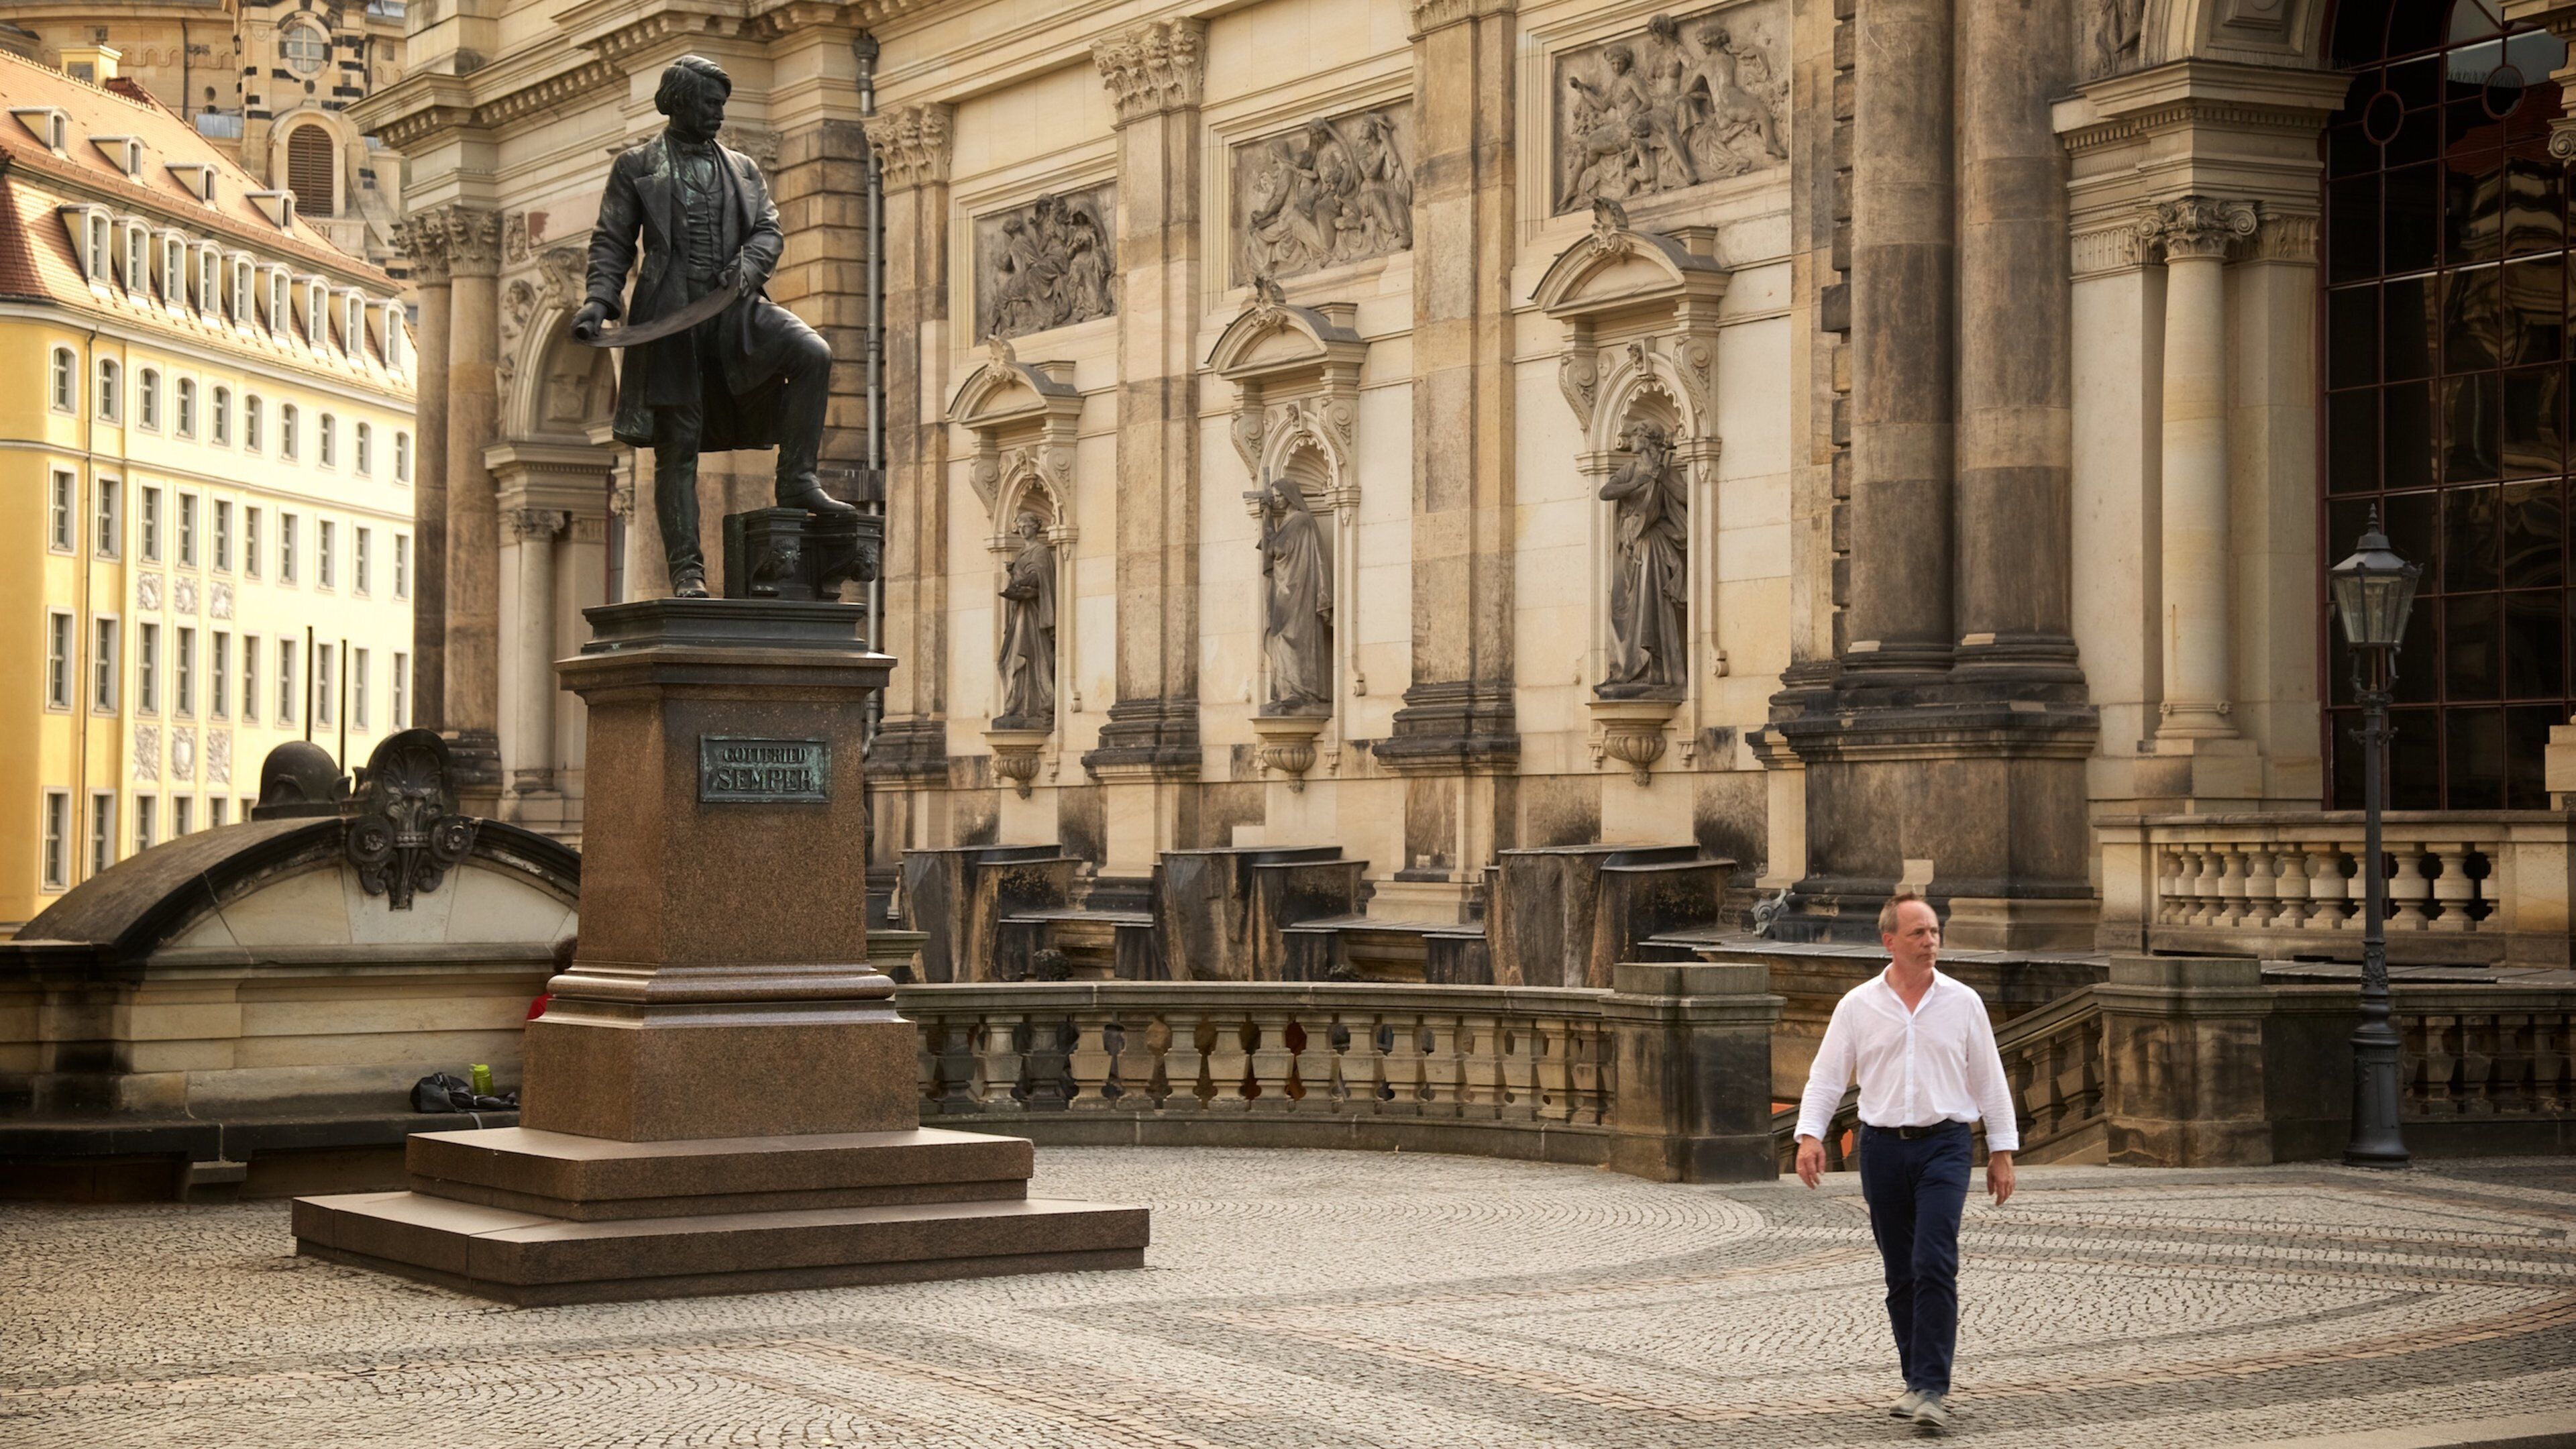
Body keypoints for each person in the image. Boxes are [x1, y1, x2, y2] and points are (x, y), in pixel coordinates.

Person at [572, 54, 850, 598]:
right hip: (670, 317)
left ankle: (797, 478)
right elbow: (612, 241)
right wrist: (599, 301)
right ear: (677, 103)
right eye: (708, 104)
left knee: (812, 353)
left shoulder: (744, 168)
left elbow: (769, 230)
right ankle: (687, 571)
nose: (718, 114)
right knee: (678, 444)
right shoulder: (636, 165)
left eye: (722, 105)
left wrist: (747, 268)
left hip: (734, 308)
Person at [1794, 890, 2019, 1432]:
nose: (1931, 941)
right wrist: (1809, 1136)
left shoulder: (1963, 1002)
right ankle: (1916, 1380)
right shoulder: (1857, 1006)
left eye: (1936, 932)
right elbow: (1827, 1077)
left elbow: (1989, 1077)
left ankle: (1933, 1389)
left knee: (1934, 1261)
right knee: (1900, 1272)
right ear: (1889, 941)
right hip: (1881, 1148)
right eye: (1919, 933)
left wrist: (2001, 1152)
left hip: (1945, 1143)